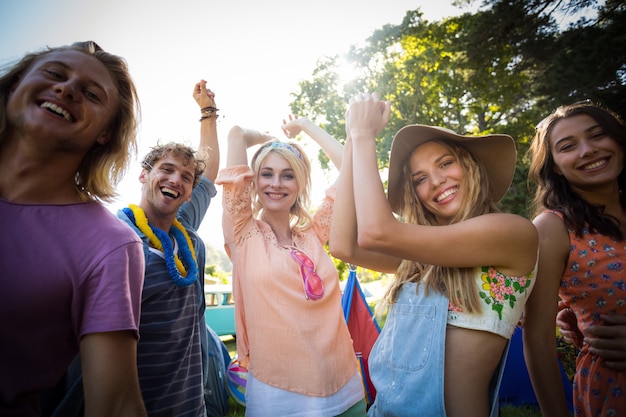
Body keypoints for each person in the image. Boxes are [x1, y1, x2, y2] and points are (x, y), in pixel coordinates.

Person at [329, 92, 538, 417]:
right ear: (416, 195)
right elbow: (345, 246)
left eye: (445, 163)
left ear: (469, 165)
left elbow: (375, 231)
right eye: (420, 179)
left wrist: (363, 134)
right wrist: (352, 139)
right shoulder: (422, 260)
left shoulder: (512, 232)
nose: (437, 181)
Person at [0, 41, 147, 416]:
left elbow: (116, 405)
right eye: (54, 74)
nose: (66, 89)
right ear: (15, 85)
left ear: (105, 133)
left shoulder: (109, 246)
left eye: (92, 94)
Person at [214, 116, 367, 416]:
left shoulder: (314, 234)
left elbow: (352, 165)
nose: (275, 183)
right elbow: (235, 135)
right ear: (254, 181)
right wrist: (258, 137)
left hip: (344, 386)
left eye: (287, 175)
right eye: (266, 174)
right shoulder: (243, 233)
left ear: (300, 182)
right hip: (279, 394)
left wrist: (307, 126)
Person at [116, 79, 220, 416]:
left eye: (186, 177)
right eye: (166, 169)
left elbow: (210, 170)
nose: (176, 179)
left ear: (190, 192)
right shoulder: (115, 240)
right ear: (143, 176)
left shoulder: (184, 231)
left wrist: (208, 113)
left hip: (191, 405)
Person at [523, 101, 626, 417]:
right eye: (568, 146)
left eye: (597, 136)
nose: (588, 150)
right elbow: (538, 343)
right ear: (554, 165)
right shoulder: (553, 229)